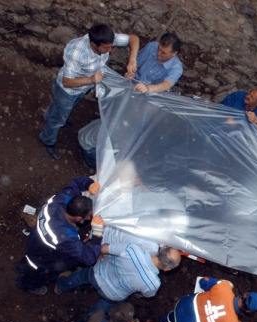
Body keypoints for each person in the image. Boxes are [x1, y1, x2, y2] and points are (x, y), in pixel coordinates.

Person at [78, 33, 183, 169]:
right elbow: (136, 64)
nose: (159, 53)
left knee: (126, 125)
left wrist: (148, 88)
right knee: (117, 120)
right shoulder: (152, 47)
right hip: (131, 91)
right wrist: (131, 72)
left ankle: (107, 140)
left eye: (163, 53)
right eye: (159, 49)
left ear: (174, 54)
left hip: (147, 100)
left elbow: (166, 85)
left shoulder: (176, 68)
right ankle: (94, 144)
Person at [39, 24, 140, 161]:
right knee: (58, 119)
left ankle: (50, 116)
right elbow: (66, 82)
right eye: (106, 48)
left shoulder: (105, 39)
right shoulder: (77, 52)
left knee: (59, 111)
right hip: (68, 91)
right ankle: (47, 140)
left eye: (111, 46)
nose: (110, 50)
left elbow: (134, 39)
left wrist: (132, 59)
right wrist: (90, 79)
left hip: (82, 88)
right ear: (94, 44)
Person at [15, 176, 102, 295]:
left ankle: (21, 266)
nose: (90, 217)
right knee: (38, 274)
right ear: (77, 218)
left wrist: (89, 184)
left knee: (29, 260)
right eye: (88, 215)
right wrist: (97, 234)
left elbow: (76, 183)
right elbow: (89, 257)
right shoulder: (64, 237)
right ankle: (26, 284)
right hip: (43, 260)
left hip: (35, 241)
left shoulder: (57, 203)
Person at [149, 276, 257, 322]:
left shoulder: (224, 287)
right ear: (248, 311)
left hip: (184, 307)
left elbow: (204, 281)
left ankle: (164, 319)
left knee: (174, 315)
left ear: (246, 294)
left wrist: (222, 283)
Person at [55, 241, 181, 306]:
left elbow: (104, 248)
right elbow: (145, 295)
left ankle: (61, 286)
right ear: (167, 269)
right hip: (112, 295)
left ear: (162, 249)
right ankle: (95, 315)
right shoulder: (153, 284)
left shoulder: (133, 249)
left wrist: (102, 255)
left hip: (97, 274)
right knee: (106, 305)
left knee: (80, 277)